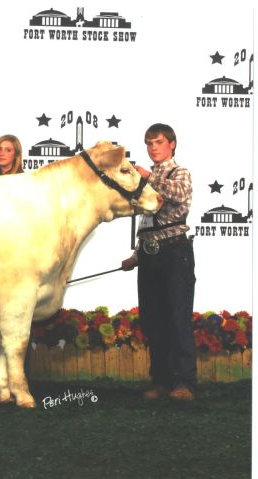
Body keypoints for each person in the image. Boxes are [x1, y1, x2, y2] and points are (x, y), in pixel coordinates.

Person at [122, 123, 196, 401]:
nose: (154, 148)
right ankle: (161, 380)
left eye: (159, 142)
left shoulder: (180, 173)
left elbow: (179, 195)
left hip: (175, 252)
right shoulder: (147, 179)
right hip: (151, 255)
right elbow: (147, 224)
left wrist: (147, 178)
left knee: (177, 317)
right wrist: (136, 256)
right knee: (153, 320)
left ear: (172, 144)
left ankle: (185, 382)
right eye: (149, 144)